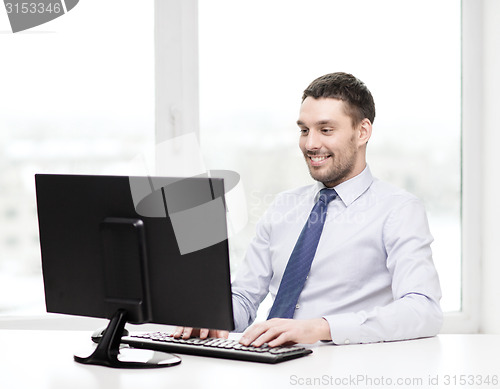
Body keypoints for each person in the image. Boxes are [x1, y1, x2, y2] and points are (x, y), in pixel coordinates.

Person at [174, 72, 443, 347]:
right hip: (267, 364)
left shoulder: (398, 210)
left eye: (326, 130)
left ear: (362, 132)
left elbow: (423, 310)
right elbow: (244, 296)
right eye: (304, 130)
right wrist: (213, 317)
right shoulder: (284, 206)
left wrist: (320, 328)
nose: (310, 144)